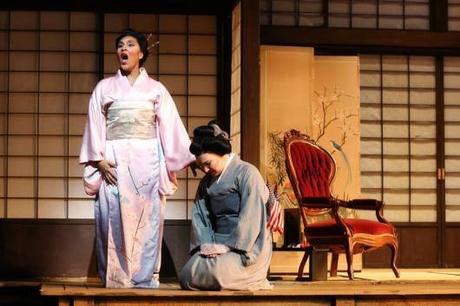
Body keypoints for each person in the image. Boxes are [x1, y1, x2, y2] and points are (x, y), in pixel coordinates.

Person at [79, 28, 195, 288]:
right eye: (120, 45)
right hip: (113, 162)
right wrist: (98, 160)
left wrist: (190, 155)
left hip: (148, 163)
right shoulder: (104, 88)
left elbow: (170, 126)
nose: (123, 49)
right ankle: (116, 277)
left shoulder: (156, 90)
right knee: (112, 218)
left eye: (130, 45)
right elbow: (95, 124)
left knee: (147, 219)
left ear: (141, 53)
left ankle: (144, 277)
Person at [179, 122, 273, 291]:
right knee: (187, 274)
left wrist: (228, 246)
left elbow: (252, 216)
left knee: (216, 273)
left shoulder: (247, 173)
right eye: (201, 166)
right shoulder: (206, 183)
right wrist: (206, 245)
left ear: (221, 153)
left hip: (245, 246)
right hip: (215, 243)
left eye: (208, 163)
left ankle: (252, 276)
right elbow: (201, 217)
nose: (205, 170)